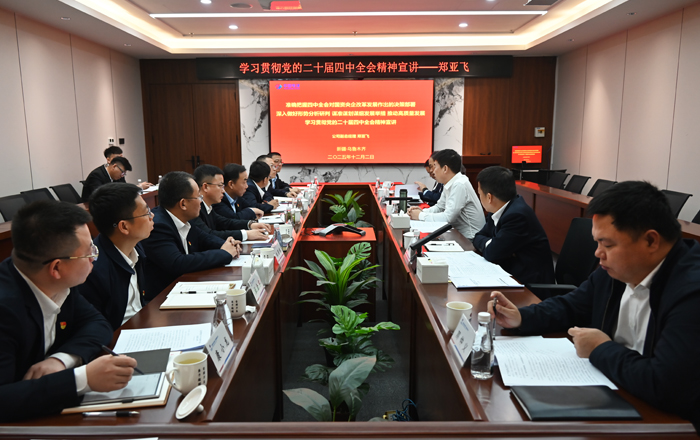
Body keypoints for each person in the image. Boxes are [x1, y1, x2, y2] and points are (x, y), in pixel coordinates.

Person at [488, 181, 700, 430]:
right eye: (597, 243)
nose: (598, 253)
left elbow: (667, 386)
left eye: (607, 244)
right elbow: (572, 305)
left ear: (651, 241)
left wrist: (600, 349)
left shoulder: (690, 291)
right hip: (615, 391)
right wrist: (522, 318)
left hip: (669, 424)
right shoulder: (618, 269)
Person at [0, 200, 137, 422]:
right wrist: (82, 379)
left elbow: (97, 323)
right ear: (56, 267)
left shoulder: (56, 281)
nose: (94, 258)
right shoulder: (6, 308)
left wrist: (61, 360)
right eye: (89, 252)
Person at [140, 171, 239, 300]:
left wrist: (227, 244)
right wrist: (224, 253)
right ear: (183, 204)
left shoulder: (185, 218)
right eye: (198, 197)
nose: (201, 201)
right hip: (163, 298)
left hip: (184, 287)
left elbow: (204, 238)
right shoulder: (158, 226)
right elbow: (178, 263)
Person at [77, 183, 153, 331]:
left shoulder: (135, 247)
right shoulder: (94, 269)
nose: (152, 216)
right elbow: (96, 328)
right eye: (146, 213)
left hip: (142, 324)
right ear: (124, 227)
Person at [472, 166, 554, 286]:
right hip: (510, 272)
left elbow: (492, 254)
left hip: (529, 284)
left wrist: (492, 245)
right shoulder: (498, 208)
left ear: (489, 197)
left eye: (479, 194)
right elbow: (478, 236)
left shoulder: (517, 216)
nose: (480, 198)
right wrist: (492, 243)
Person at [408, 149, 485, 240]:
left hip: (470, 239)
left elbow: (448, 218)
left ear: (445, 169)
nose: (433, 171)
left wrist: (420, 215)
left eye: (435, 166)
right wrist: (421, 211)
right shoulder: (449, 182)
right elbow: (439, 207)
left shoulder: (459, 184)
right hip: (456, 234)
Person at [191, 165, 272, 241]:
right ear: (205, 187)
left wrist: (250, 224)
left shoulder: (208, 207)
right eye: (220, 186)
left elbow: (225, 222)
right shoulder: (195, 209)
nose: (223, 191)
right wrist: (245, 234)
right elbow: (209, 235)